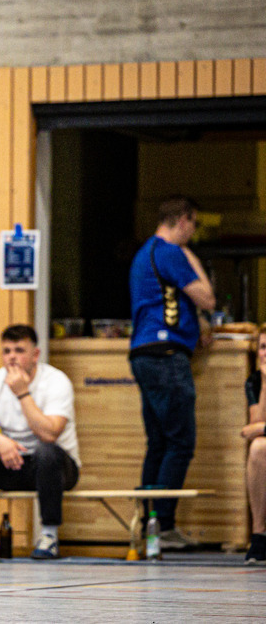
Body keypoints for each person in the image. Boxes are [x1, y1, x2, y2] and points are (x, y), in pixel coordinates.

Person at [129, 196, 215, 550]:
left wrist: (197, 323)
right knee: (180, 442)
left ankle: (150, 525)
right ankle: (162, 526)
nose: (193, 233)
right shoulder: (170, 252)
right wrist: (189, 254)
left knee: (159, 443)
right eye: (193, 225)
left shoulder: (144, 253)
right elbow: (206, 297)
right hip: (165, 355)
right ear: (183, 220)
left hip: (144, 354)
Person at [0, 324, 81, 560]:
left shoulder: (56, 381)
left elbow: (50, 434)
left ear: (35, 354)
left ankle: (49, 536)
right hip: (12, 462)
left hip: (57, 468)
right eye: (7, 351)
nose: (12, 357)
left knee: (46, 451)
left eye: (19, 350)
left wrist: (23, 393)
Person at [242, 324, 266, 564]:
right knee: (259, 447)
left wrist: (262, 429)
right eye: (263, 347)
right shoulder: (255, 381)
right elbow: (255, 424)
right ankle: (259, 535)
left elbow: (258, 428)